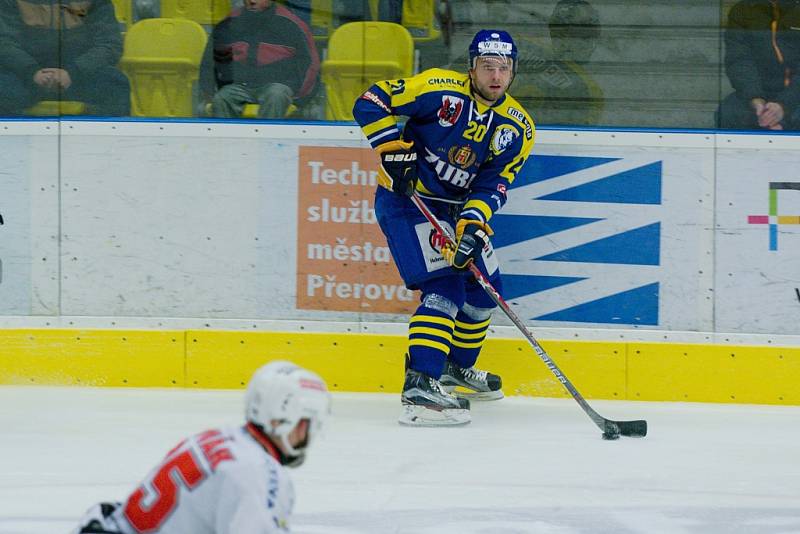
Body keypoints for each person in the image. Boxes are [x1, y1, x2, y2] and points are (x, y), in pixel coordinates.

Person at [353, 30, 535, 426]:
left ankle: (453, 368)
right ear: (471, 67)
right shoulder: (437, 88)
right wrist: (390, 149)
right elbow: (370, 101)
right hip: (407, 202)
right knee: (444, 287)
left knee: (486, 292)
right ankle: (420, 387)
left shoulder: (518, 127)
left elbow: (494, 184)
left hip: (456, 212)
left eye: (504, 67)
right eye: (487, 66)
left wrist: (472, 226)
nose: (496, 75)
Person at [71, 360, 331, 534]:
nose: (307, 434)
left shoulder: (220, 438)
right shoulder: (259, 474)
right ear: (286, 420)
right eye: (306, 423)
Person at [0, 0, 130, 116]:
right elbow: (4, 43)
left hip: (81, 75)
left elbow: (110, 44)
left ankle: (102, 140)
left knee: (116, 84)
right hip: (25, 76)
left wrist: (73, 72)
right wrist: (31, 71)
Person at [200, 0, 320, 119]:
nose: (252, 1)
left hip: (277, 87)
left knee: (276, 94)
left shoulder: (292, 24)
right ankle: (228, 138)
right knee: (222, 98)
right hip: (240, 86)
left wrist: (299, 99)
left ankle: (269, 138)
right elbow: (211, 61)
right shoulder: (230, 23)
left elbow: (310, 65)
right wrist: (209, 93)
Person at [718, 0, 800, 130]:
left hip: (795, 93)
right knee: (729, 112)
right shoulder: (743, 10)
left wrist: (784, 105)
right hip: (760, 92)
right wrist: (756, 100)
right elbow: (739, 60)